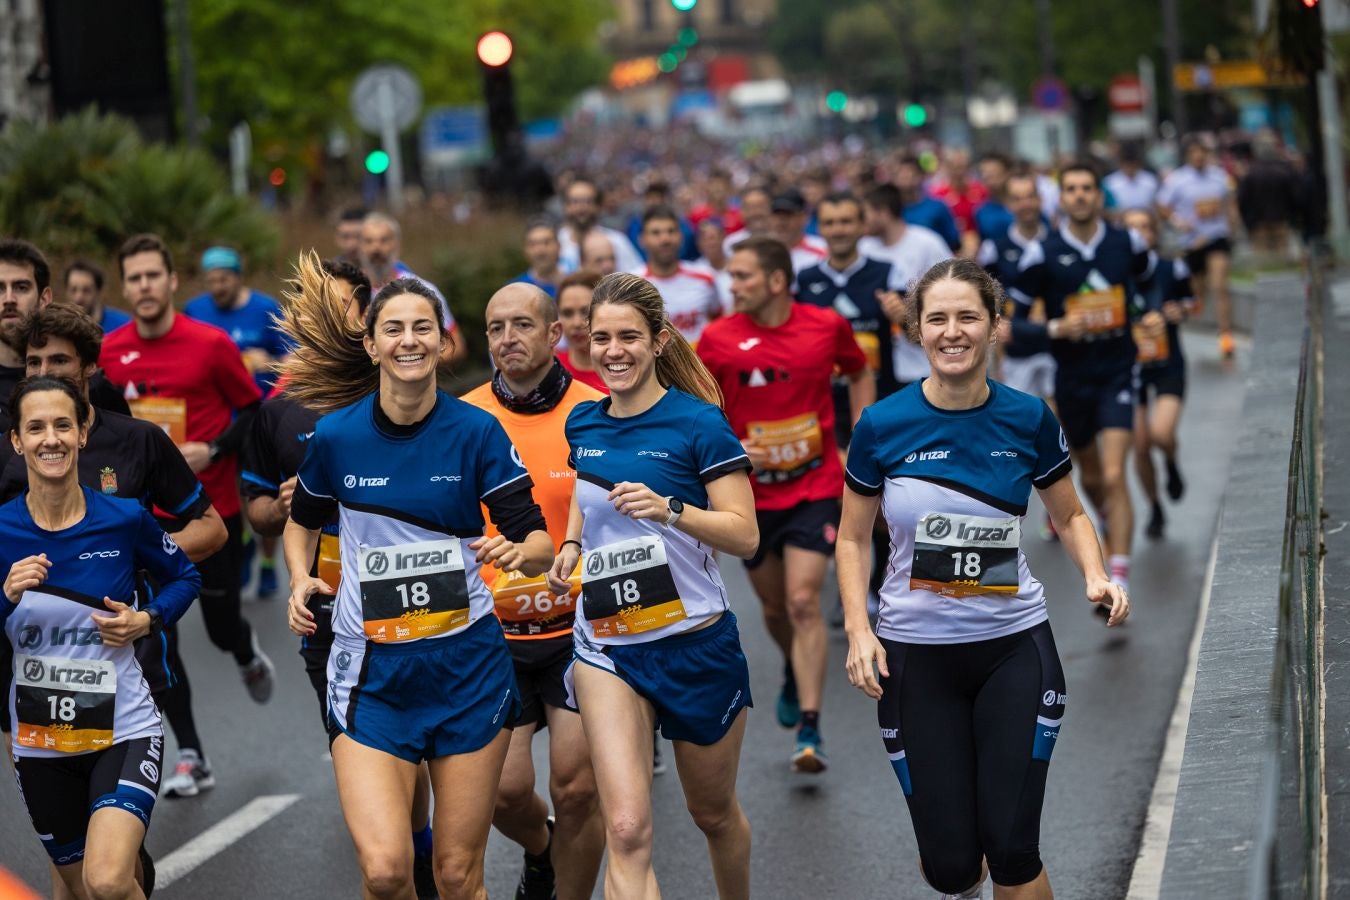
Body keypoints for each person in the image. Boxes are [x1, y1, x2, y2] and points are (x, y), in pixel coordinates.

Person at [838, 258, 1129, 900]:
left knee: (1013, 849)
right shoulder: (881, 425)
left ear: (996, 326)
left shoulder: (1028, 418)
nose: (953, 331)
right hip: (915, 657)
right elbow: (854, 538)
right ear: (916, 331)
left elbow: (1072, 513)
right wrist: (860, 631)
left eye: (968, 316)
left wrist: (1096, 575)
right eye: (936, 318)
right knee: (951, 867)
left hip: (1013, 648)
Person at [279, 254, 554, 900]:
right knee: (385, 872)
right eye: (394, 329)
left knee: (458, 876)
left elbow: (536, 537)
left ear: (442, 340)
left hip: (466, 669)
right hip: (372, 676)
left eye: (422, 327)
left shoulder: (477, 432)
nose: (409, 340)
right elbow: (302, 523)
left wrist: (525, 555)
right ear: (371, 344)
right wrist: (298, 577)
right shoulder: (338, 438)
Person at [545, 272, 758, 899]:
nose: (613, 350)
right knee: (629, 827)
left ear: (659, 340)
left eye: (629, 338)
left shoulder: (700, 426)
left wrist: (669, 509)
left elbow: (745, 535)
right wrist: (573, 544)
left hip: (694, 642)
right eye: (601, 337)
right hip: (608, 646)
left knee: (712, 814)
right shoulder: (583, 423)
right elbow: (588, 497)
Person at [239, 259, 438, 899]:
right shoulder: (276, 412)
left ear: (365, 320)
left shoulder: (401, 387)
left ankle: (423, 857)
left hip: (415, 604)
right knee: (370, 764)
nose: (323, 317)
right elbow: (260, 516)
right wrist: (290, 501)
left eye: (342, 306)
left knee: (416, 757)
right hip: (330, 614)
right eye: (309, 306)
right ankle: (400, 866)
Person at [3, 376, 201, 900]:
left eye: (63, 425)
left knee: (109, 880)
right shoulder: (1, 531)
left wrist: (148, 619)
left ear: (82, 433)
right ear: (17, 441)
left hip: (125, 728)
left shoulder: (123, 518)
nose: (52, 439)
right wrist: (5, 595)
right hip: (43, 743)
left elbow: (186, 576)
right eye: (37, 427)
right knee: (84, 890)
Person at [99, 233, 276, 793]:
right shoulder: (109, 351)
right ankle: (192, 754)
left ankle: (245, 652)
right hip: (140, 522)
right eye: (134, 279)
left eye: (154, 275)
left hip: (210, 515)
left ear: (172, 281)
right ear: (124, 287)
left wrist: (215, 449)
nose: (144, 286)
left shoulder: (209, 343)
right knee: (158, 640)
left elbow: (252, 411)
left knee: (222, 629)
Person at [699, 237, 873, 773]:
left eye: (744, 276)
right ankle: (794, 673)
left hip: (815, 487)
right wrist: (725, 449)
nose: (734, 287)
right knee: (775, 609)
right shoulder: (717, 339)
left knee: (802, 602)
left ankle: (810, 729)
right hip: (749, 497)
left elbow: (859, 369)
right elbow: (694, 402)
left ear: (777, 280)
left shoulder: (824, 326)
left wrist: (861, 435)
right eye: (731, 277)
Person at [462, 283, 605, 900]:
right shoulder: (462, 419)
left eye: (522, 325)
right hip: (495, 637)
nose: (507, 339)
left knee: (577, 789)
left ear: (554, 334)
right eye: (495, 327)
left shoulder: (598, 412)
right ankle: (541, 850)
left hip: (580, 631)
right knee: (503, 791)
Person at [1011, 164, 1164, 598]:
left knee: (1115, 475)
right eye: (1071, 189)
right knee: (1092, 479)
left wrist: (1149, 312)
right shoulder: (1043, 252)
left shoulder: (1125, 241)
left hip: (1118, 367)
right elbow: (1012, 323)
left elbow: (1153, 282)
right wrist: (1057, 329)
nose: (1079, 196)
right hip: (1071, 377)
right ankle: (1107, 529)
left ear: (1100, 197)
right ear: (1060, 198)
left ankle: (1118, 569)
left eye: (1087, 189)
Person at [1120, 209, 1194, 540]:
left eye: (1144, 227)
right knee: (1139, 443)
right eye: (1131, 228)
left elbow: (1190, 302)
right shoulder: (1114, 274)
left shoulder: (1170, 267)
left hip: (1168, 363)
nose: (1138, 234)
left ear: (1153, 232)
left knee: (1160, 434)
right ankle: (1155, 507)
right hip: (1129, 366)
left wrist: (1175, 312)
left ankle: (1172, 462)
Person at [1157, 136, 1237, 358]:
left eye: (1202, 151)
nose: (1198, 156)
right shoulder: (1177, 180)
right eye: (1194, 152)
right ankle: (1189, 327)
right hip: (1191, 241)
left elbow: (1229, 202)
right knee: (1197, 291)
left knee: (1219, 285)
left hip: (1216, 237)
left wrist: (1232, 224)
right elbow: (1163, 206)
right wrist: (1178, 221)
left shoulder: (1220, 177)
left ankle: (1226, 335)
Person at [979, 174, 1056, 402]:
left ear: (1040, 200)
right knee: (1022, 420)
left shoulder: (1058, 242)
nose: (1026, 204)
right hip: (1016, 350)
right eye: (1018, 198)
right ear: (1009, 203)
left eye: (1031, 197)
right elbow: (990, 300)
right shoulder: (994, 248)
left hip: (1057, 347)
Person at [359, 212, 467, 367]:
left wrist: (412, 364)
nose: (376, 248)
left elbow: (456, 347)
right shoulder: (349, 292)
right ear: (360, 247)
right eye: (369, 241)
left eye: (384, 240)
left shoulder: (423, 291)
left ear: (397, 245)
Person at [633, 205, 723, 344]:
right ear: (642, 240)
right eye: (656, 233)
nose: (665, 239)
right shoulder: (632, 285)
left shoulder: (705, 277)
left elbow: (718, 320)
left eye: (671, 231)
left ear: (681, 236)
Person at [558, 177, 643, 274]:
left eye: (588, 201)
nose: (581, 207)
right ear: (566, 206)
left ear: (598, 206)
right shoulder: (556, 243)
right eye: (575, 201)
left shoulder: (616, 241)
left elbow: (636, 279)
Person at [893, 154, 962, 252]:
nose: (905, 177)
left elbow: (954, 243)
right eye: (900, 173)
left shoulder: (938, 206)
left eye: (909, 172)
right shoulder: (891, 212)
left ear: (920, 176)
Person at [556, 271, 609, 394]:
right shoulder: (551, 372)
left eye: (586, 312)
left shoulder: (624, 371)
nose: (576, 323)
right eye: (567, 313)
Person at [768, 188, 828, 278]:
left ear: (804, 217)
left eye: (788, 215)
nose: (781, 222)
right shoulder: (762, 252)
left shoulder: (822, 250)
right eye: (777, 215)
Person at [63, 261, 131, 333]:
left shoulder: (123, 326)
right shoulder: (62, 329)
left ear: (99, 292)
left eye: (86, 290)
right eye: (73, 290)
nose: (79, 297)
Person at [1103, 141, 1159, 216]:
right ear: (1121, 163)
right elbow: (1106, 209)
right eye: (1127, 164)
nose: (1130, 168)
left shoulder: (1150, 181)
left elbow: (1156, 207)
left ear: (1138, 163)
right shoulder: (1110, 183)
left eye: (1133, 164)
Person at [514, 217, 563, 298]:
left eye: (546, 242)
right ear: (525, 251)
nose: (540, 251)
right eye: (533, 244)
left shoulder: (574, 285)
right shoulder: (516, 289)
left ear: (559, 246)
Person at [693, 217, 734, 312]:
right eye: (705, 239)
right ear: (699, 243)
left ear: (723, 237)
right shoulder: (696, 272)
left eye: (713, 237)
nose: (711, 242)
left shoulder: (738, 265)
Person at [973, 152, 1014, 243]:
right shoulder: (980, 212)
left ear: (1007, 173)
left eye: (994, 174)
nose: (989, 179)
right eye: (985, 175)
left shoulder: (1026, 204)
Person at [688, 169, 744, 235]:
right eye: (713, 184)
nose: (717, 188)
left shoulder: (739, 216)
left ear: (730, 189)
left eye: (722, 184)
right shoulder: (696, 215)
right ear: (707, 188)